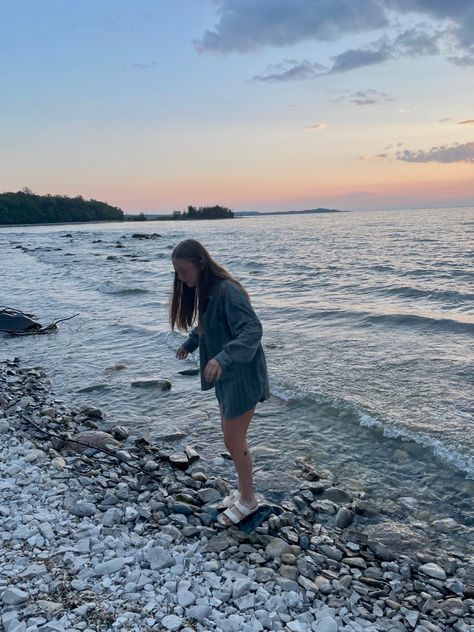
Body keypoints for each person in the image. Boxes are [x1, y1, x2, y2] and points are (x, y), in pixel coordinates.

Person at [169, 239, 270, 527]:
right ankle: (243, 493)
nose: (180, 278)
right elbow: (208, 325)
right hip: (226, 376)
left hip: (242, 375)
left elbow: (253, 329)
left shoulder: (227, 290)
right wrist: (190, 343)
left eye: (184, 271)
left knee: (233, 439)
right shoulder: (208, 291)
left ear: (201, 263)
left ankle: (249, 500)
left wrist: (222, 358)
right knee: (230, 436)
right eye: (177, 272)